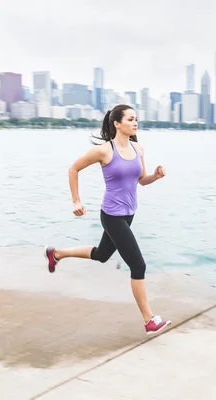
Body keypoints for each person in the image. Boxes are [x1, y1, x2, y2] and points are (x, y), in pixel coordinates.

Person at [44, 104, 171, 335]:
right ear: (117, 124)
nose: (135, 123)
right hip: (112, 215)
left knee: (102, 255)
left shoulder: (138, 148)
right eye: (130, 119)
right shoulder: (104, 151)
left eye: (136, 119)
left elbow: (141, 179)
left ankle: (56, 254)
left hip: (130, 213)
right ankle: (149, 320)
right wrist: (76, 201)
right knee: (138, 265)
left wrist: (156, 176)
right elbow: (73, 169)